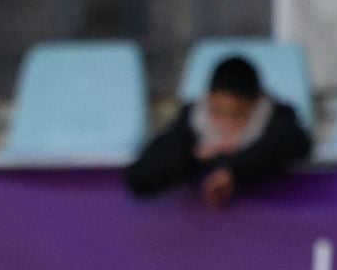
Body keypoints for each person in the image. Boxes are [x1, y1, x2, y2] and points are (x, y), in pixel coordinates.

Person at [126, 53, 312, 207]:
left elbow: (294, 142)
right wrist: (191, 157)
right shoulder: (192, 124)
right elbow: (140, 177)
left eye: (237, 115)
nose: (225, 123)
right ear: (207, 101)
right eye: (217, 112)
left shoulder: (280, 124)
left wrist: (234, 172)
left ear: (258, 105)